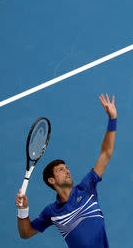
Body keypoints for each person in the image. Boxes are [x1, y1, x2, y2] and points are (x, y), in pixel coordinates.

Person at [15, 94, 117, 248]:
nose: (67, 171)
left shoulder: (87, 187)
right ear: (52, 180)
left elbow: (106, 153)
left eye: (67, 168)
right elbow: (25, 233)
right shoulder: (51, 212)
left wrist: (112, 119)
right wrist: (23, 210)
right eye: (61, 170)